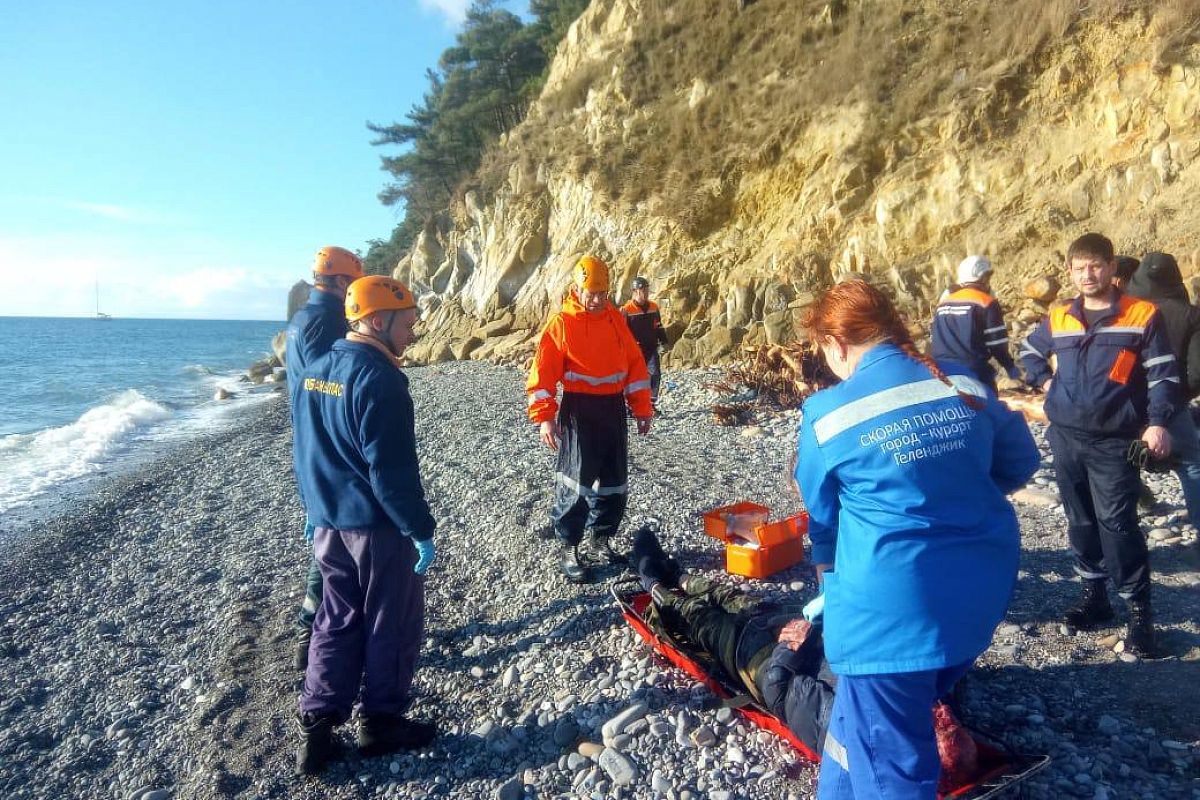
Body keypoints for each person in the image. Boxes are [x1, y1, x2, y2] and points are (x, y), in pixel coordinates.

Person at [794, 279, 1040, 799]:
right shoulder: (963, 385)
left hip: (891, 619)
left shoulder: (828, 414)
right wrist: (951, 492)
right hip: (975, 601)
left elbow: (822, 515)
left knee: (895, 767)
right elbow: (1021, 459)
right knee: (859, 724)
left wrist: (829, 578)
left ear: (837, 346)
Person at [292, 275, 437, 775]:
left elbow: (305, 451)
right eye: (408, 322)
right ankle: (381, 722)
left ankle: (319, 728)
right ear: (379, 320)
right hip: (376, 527)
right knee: (391, 621)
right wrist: (419, 528)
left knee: (335, 617)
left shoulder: (316, 370)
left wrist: (314, 513)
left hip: (329, 522)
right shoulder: (380, 379)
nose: (413, 332)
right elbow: (390, 471)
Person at [1020, 233, 1180, 658]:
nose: (1087, 275)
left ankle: (1140, 615)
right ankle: (1095, 598)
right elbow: (1028, 353)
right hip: (1066, 436)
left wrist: (1158, 423)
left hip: (1115, 441)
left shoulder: (1142, 315)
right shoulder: (1060, 319)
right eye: (1078, 268)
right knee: (1081, 521)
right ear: (1070, 273)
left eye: (1095, 266)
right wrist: (1045, 380)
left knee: (1118, 525)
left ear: (1111, 268)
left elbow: (1164, 376)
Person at [527, 255, 654, 583]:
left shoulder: (616, 320)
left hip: (612, 409)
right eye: (590, 293)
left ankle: (600, 538)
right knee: (576, 480)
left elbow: (636, 367)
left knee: (614, 480)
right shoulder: (562, 323)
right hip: (578, 410)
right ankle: (569, 545)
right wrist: (545, 417)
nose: (597, 300)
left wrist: (642, 408)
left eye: (602, 293)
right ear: (576, 288)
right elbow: (542, 373)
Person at [286, 245, 365, 671]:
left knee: (327, 535)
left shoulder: (300, 320)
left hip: (308, 441)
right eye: (352, 282)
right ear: (339, 281)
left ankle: (313, 628)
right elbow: (332, 385)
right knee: (337, 541)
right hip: (330, 444)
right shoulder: (331, 320)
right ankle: (313, 629)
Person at [1127, 252, 1200, 527]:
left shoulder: (1127, 310)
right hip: (1171, 400)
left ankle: (1127, 521)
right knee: (1191, 464)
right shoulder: (1191, 315)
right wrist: (1179, 396)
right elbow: (1198, 371)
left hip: (1125, 401)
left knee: (1121, 460)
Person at [930, 255, 1020, 391]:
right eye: (988, 277)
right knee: (987, 410)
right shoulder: (986, 302)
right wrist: (1011, 368)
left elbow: (935, 337)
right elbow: (997, 346)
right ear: (983, 277)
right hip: (974, 373)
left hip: (941, 372)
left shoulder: (943, 303)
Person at [621, 276, 670, 409]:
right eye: (644, 290)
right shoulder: (627, 310)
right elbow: (622, 333)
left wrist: (664, 341)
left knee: (655, 374)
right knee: (633, 378)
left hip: (651, 347)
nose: (647, 293)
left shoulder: (653, 307)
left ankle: (650, 404)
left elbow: (658, 326)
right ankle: (631, 406)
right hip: (634, 350)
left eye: (647, 289)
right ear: (635, 291)